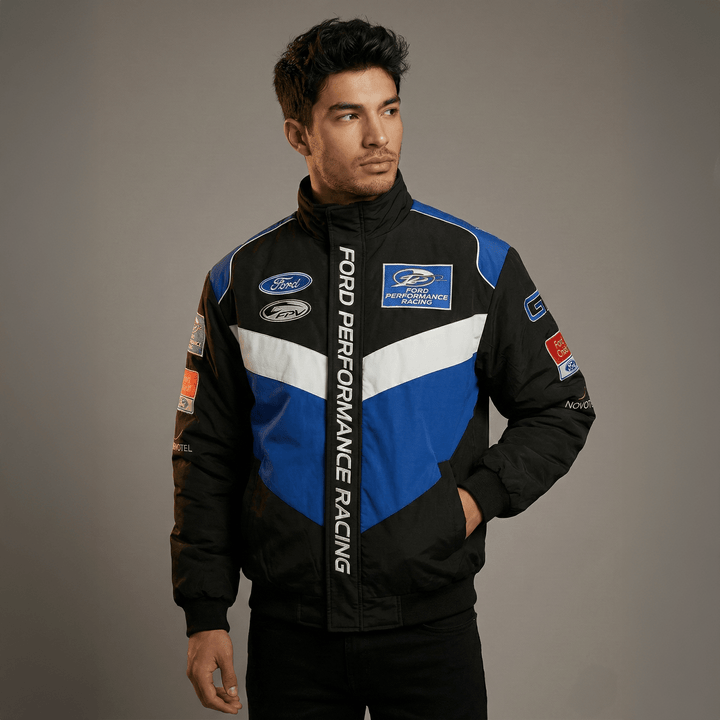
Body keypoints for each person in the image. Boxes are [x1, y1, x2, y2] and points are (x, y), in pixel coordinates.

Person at [171, 17, 595, 719]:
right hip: (291, 635)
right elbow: (206, 450)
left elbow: (562, 407)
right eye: (349, 115)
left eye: (390, 110)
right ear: (299, 134)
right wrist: (205, 611)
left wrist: (470, 503)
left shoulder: (477, 264)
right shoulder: (238, 279)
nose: (379, 136)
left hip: (430, 630)